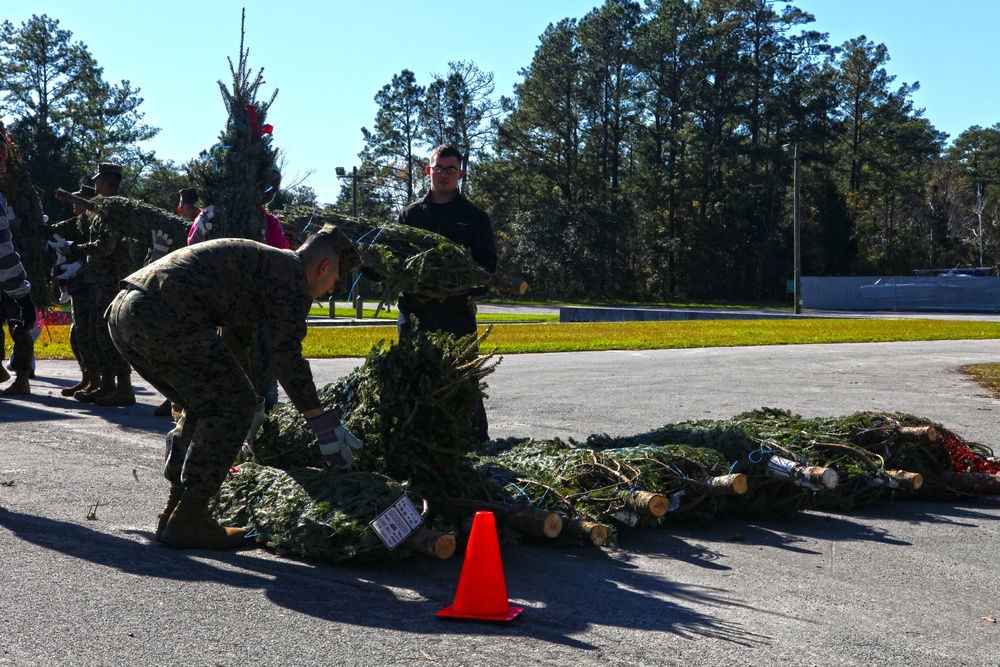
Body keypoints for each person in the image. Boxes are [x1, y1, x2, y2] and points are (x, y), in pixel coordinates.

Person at [106, 225, 364, 550]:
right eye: (336, 283)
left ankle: (175, 513)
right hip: (163, 313)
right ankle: (190, 519)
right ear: (324, 267)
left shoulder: (266, 264)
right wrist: (320, 422)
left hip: (125, 311)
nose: (331, 291)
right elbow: (287, 357)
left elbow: (234, 343)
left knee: (205, 404)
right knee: (230, 405)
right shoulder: (292, 278)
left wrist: (246, 400)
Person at [396, 145, 497, 442]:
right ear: (428, 171)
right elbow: (394, 258)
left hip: (456, 315)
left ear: (461, 174)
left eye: (450, 169)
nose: (443, 174)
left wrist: (459, 284)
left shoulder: (474, 217)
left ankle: (477, 443)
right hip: (414, 314)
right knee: (412, 379)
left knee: (464, 380)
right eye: (438, 168)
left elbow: (487, 266)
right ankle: (414, 442)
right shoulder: (410, 215)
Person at [50, 163, 137, 406]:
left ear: (105, 182)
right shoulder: (102, 208)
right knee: (97, 333)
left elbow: (104, 247)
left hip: (110, 278)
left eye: (98, 180)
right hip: (100, 278)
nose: (95, 184)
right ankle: (108, 384)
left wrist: (73, 248)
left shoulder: (113, 210)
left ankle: (124, 387)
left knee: (106, 333)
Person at [49, 185, 97, 397]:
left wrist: (78, 262)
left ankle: (96, 380)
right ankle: (87, 378)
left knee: (87, 335)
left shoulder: (93, 225)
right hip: (77, 286)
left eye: (78, 202)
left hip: (88, 286)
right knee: (77, 336)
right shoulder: (79, 224)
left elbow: (96, 252)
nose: (74, 206)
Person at [0, 131, 37, 396]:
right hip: (11, 274)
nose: (3, 166)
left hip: (12, 272)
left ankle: (21, 375)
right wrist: (24, 297)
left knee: (17, 326)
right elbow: (2, 250)